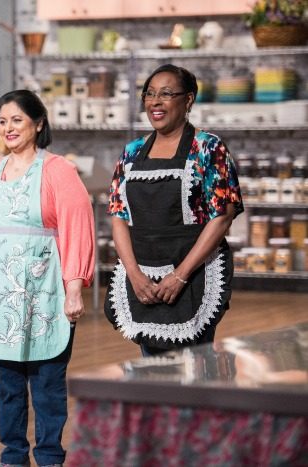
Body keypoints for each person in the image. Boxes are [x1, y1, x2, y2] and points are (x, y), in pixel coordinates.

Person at [0, 89, 95, 467]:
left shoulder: (58, 171)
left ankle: (50, 458)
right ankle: (12, 457)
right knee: (8, 388)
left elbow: (78, 228)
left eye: (17, 120)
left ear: (38, 123)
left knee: (47, 384)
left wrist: (74, 288)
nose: (9, 128)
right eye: (3, 121)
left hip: (45, 291)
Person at [104, 64, 244, 356]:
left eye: (166, 94)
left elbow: (222, 216)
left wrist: (180, 275)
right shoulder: (132, 152)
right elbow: (118, 215)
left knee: (195, 366)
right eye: (149, 94)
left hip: (192, 272)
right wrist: (134, 274)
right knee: (151, 367)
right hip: (143, 271)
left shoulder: (208, 148)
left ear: (188, 100)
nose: (155, 102)